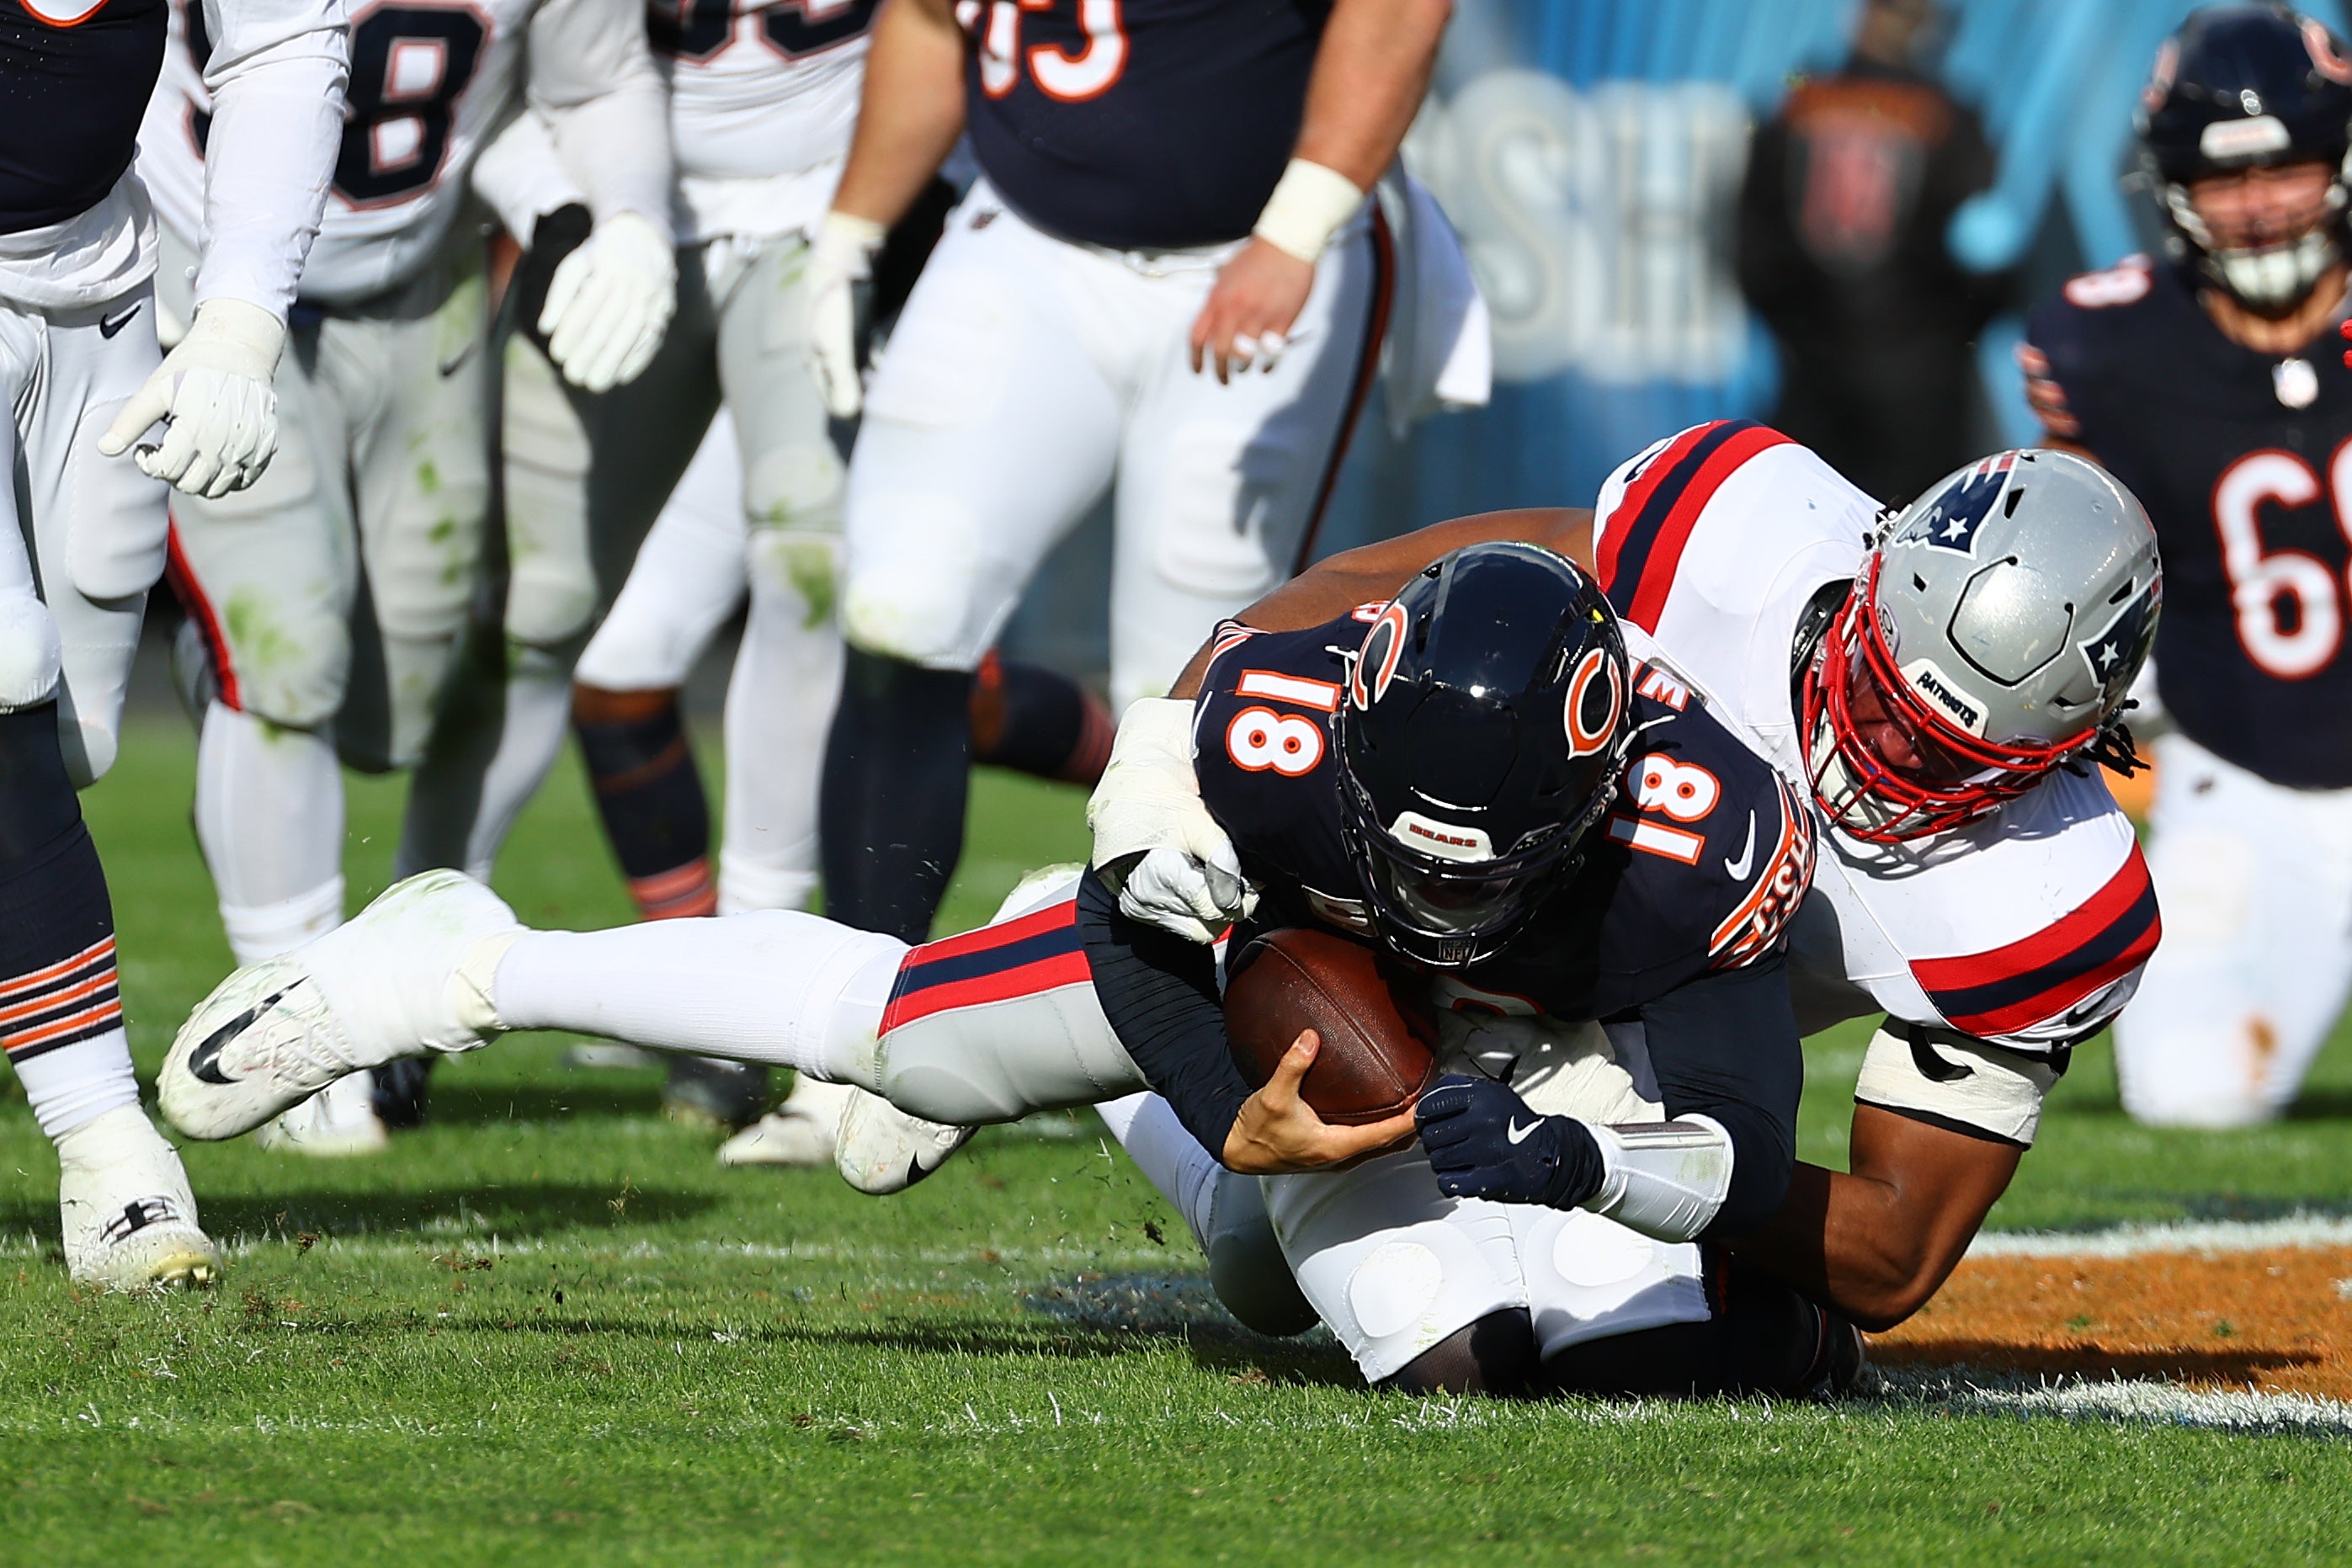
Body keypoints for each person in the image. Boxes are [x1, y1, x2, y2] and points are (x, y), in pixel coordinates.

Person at [160, 544, 1849, 1396]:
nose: (1425, 879)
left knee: (1269, 1284)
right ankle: (469, 962)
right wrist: (1194, 972)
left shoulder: (1693, 846)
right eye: (1394, 836)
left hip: (1513, 1062)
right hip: (1249, 955)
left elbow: (1741, 1146)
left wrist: (1574, 1157)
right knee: (901, 1045)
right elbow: (1161, 809)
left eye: (1464, 860)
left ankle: (1235, 1171)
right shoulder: (1271, 730)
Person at [1090, 428, 2161, 1332]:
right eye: (1874, 681)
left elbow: (1892, 1251)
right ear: (1875, 570)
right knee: (1268, 1246)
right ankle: (1060, 985)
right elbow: (1388, 601)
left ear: (2067, 748)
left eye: (1944, 753)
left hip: (1667, 1054)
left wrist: (1610, 1147)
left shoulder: (2049, 903)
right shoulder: (1733, 530)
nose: (1874, 748)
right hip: (1425, 910)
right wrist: (1159, 758)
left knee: (1420, 1304)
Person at [811, 0, 1473, 949]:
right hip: (1023, 235)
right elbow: (928, 16)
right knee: (898, 610)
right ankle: (864, 1023)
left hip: (1251, 245)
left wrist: (1296, 226)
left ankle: (1163, 1068)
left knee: (1189, 688)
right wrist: (851, 232)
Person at [142, 0, 677, 1156]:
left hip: (415, 284)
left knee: (401, 714)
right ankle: (280, 1027)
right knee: (285, 653)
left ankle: (395, 957)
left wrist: (623, 217)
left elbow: (593, 85)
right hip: (212, 274)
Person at [0, 0, 346, 1284]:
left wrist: (241, 319)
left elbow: (282, 40)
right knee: (3, 693)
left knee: (73, 733)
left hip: (96, 277)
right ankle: (107, 1152)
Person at [2022, 3, 2352, 1128]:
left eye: (2288, 170)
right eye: (2224, 182)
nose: (2258, 211)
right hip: (2245, 774)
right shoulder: (2107, 346)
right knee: (2188, 1088)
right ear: (2170, 188)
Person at [1735, 0, 2008, 503]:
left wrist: (1805, 332)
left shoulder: (1796, 103)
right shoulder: (1951, 116)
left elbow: (1751, 251)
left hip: (1813, 378)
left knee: (1807, 539)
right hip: (1918, 394)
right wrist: (1940, 339)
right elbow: (1991, 262)